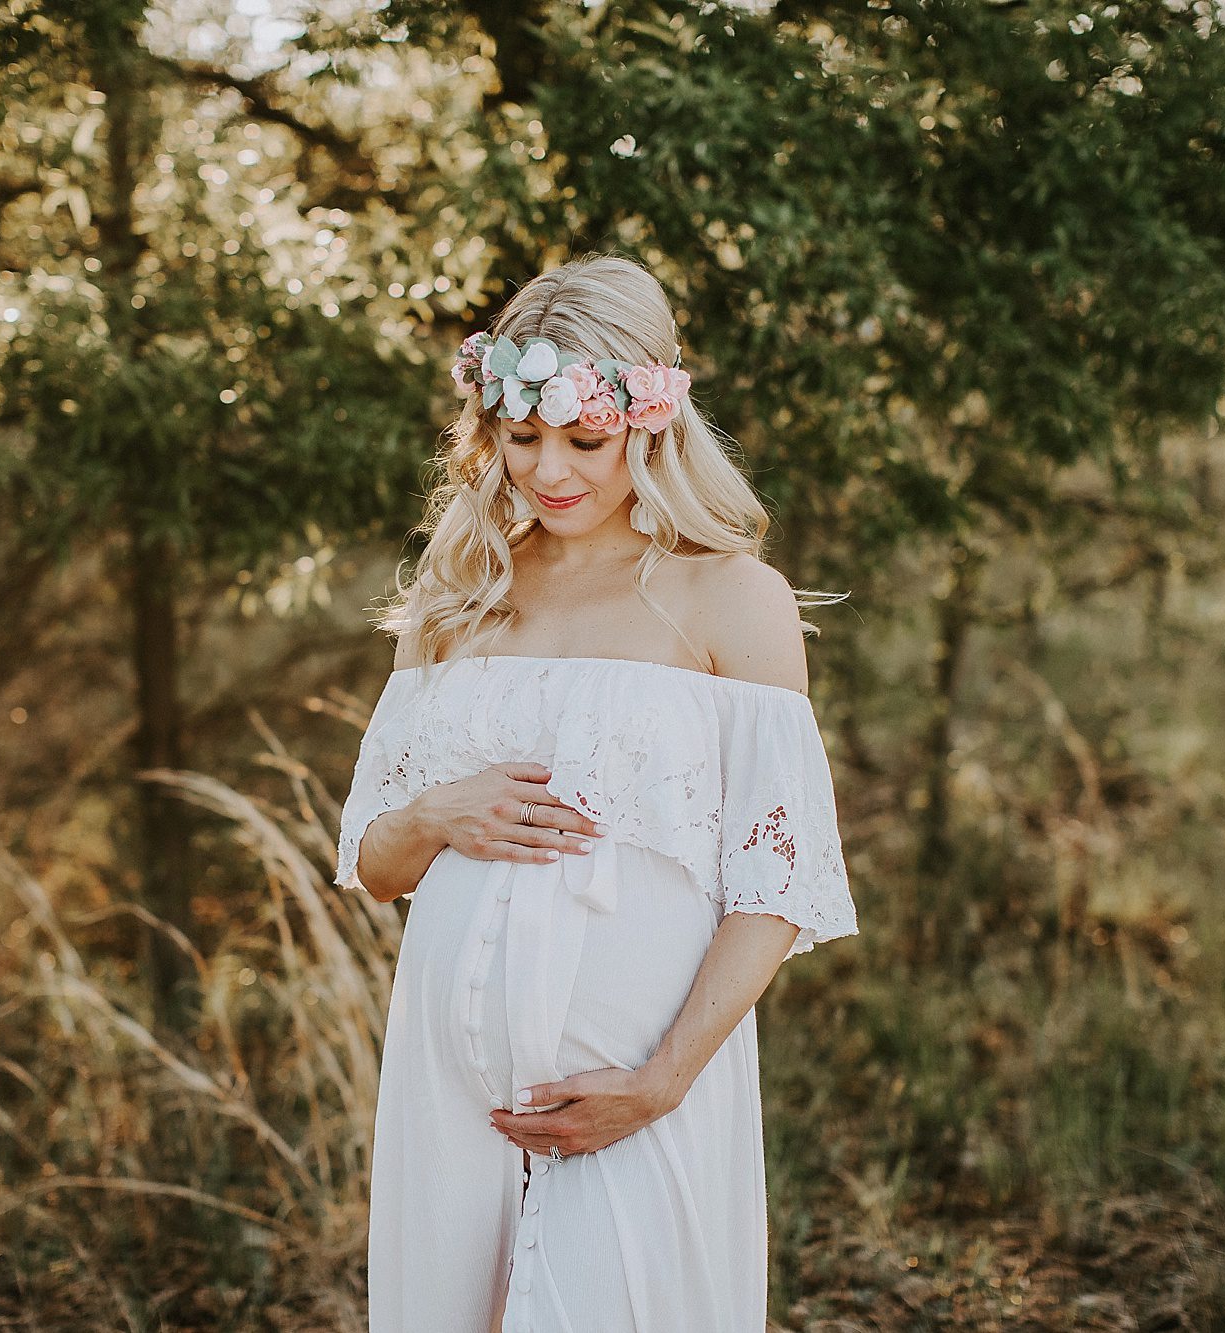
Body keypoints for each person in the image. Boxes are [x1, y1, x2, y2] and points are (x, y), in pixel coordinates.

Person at [334, 252, 860, 1332]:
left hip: (638, 1083)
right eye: (522, 439)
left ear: (652, 423)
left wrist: (660, 1081)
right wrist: (438, 811)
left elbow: (779, 881)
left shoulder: (730, 599)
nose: (550, 471)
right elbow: (375, 866)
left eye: (585, 440)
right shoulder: (456, 599)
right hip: (450, 1089)